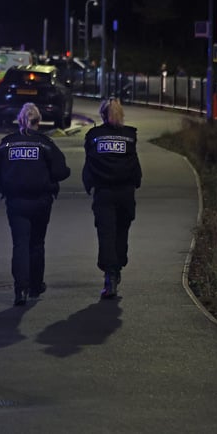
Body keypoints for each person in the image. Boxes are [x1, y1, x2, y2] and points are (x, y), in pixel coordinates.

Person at [0, 103, 71, 306]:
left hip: (16, 202)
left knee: (20, 243)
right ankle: (35, 285)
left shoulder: (7, 144)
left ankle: (20, 289)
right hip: (41, 201)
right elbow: (61, 171)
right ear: (38, 122)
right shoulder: (45, 144)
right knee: (37, 244)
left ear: (20, 120)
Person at [82, 97, 143, 299]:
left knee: (106, 234)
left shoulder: (93, 136)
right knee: (121, 232)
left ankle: (110, 276)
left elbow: (89, 163)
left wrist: (88, 184)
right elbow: (134, 164)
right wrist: (136, 181)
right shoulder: (130, 136)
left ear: (102, 115)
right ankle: (117, 268)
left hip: (104, 193)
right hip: (125, 193)